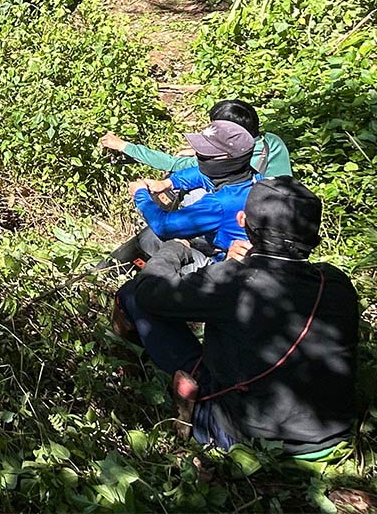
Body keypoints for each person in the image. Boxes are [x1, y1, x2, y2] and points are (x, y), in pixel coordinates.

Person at [112, 177, 359, 456]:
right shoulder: (336, 282)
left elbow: (150, 293)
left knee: (134, 294)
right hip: (333, 436)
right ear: (313, 235)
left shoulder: (234, 281)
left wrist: (175, 248)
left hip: (247, 439)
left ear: (242, 221)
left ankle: (138, 371)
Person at [127, 119, 260, 263]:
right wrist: (168, 183)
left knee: (150, 239)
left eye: (205, 155)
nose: (197, 155)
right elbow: (202, 174)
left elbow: (163, 226)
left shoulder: (219, 204)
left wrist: (140, 194)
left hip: (224, 263)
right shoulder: (253, 178)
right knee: (192, 195)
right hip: (233, 243)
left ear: (227, 160)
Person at [102, 99, 291, 178]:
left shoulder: (228, 162)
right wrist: (195, 150)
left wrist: (123, 145)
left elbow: (172, 163)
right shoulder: (272, 141)